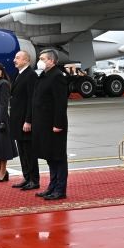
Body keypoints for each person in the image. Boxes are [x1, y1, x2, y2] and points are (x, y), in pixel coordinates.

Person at [31, 49, 70, 199]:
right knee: (50, 156)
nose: (40, 61)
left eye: (43, 58)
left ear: (52, 61)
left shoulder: (57, 76)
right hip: (43, 124)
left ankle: (60, 189)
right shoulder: (44, 76)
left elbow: (60, 103)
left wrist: (58, 124)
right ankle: (52, 186)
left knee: (58, 157)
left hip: (54, 125)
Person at [9, 50, 40, 190]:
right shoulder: (19, 74)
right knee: (22, 151)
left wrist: (29, 120)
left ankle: (34, 180)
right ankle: (26, 177)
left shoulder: (31, 75)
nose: (14, 60)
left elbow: (31, 100)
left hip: (25, 121)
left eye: (17, 58)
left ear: (26, 60)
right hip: (17, 120)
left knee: (29, 151)